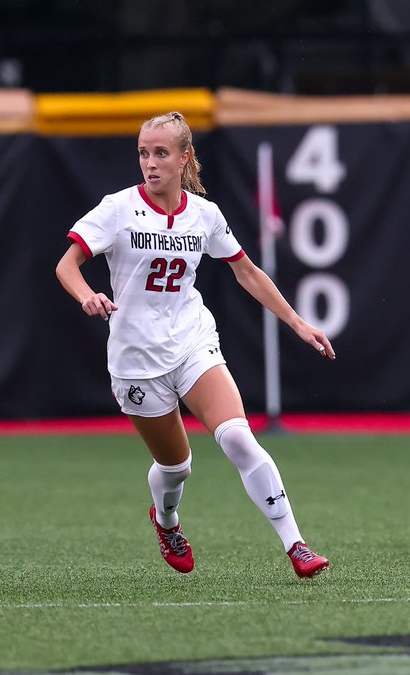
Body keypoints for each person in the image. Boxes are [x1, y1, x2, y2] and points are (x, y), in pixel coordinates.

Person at [55, 111, 334, 578]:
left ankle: (297, 546)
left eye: (161, 152)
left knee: (239, 438)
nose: (150, 162)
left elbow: (245, 271)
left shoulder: (205, 214)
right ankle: (166, 520)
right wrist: (88, 296)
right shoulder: (118, 208)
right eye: (143, 152)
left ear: (185, 157)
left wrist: (297, 322)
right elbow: (67, 265)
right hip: (136, 359)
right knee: (178, 467)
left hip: (191, 341)